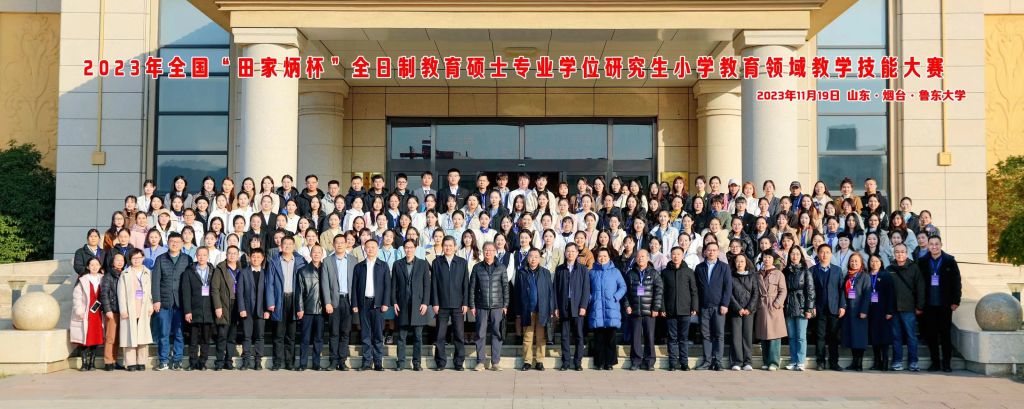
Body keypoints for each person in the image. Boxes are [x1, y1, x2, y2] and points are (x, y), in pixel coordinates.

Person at [916, 235, 961, 372]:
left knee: (945, 335)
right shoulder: (922, 261)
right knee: (931, 335)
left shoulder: (949, 261)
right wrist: (919, 303)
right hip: (929, 305)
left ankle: (946, 363)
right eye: (931, 244)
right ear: (928, 246)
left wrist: (956, 300)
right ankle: (935, 362)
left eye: (936, 244)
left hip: (945, 305)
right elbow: (918, 284)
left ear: (941, 245)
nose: (934, 247)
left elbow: (956, 282)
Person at [264, 235, 307, 370]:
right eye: (285, 244)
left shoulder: (300, 261)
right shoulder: (274, 261)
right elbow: (269, 283)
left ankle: (289, 362)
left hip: (294, 299)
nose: (287, 246)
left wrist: (302, 304)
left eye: (290, 244)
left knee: (291, 334)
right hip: (279, 299)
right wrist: (270, 302)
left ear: (294, 246)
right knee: (278, 334)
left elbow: (304, 284)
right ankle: (277, 362)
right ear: (281, 246)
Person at [151, 231, 192, 371]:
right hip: (164, 301)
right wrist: (156, 300)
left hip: (181, 302)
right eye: (172, 242)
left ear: (182, 244)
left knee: (179, 333)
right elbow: (155, 281)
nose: (174, 244)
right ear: (168, 243)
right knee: (164, 333)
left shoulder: (187, 259)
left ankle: (177, 360)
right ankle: (163, 360)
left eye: (177, 242)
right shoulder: (160, 259)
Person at [431, 235, 471, 371]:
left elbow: (465, 284)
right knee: (440, 335)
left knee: (459, 335)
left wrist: (465, 303)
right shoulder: (437, 262)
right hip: (441, 305)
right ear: (442, 247)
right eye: (445, 245)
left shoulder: (462, 262)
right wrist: (435, 303)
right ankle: (440, 362)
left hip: (458, 304)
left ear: (455, 247)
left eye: (450, 245)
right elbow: (434, 284)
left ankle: (459, 363)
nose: (448, 248)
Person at [469, 242, 510, 371]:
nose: (488, 252)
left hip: (497, 306)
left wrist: (505, 305)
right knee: (480, 334)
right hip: (481, 305)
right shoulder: (477, 267)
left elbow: (505, 287)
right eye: (486, 250)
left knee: (497, 333)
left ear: (495, 252)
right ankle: (480, 362)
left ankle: (495, 362)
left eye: (491, 250)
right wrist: (472, 305)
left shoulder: (501, 267)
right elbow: (472, 288)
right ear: (482, 251)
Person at [352, 239, 391, 371]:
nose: (370, 249)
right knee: (365, 334)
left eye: (373, 247)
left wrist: (385, 302)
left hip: (378, 304)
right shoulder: (359, 267)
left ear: (377, 249)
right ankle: (366, 362)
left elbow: (387, 286)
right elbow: (354, 287)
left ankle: (378, 362)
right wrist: (355, 303)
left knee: (378, 334)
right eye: (368, 247)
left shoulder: (383, 266)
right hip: (363, 303)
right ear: (364, 249)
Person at [392, 239, 431, 371]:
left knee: (418, 336)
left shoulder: (422, 264)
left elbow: (427, 285)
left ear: (415, 248)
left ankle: (417, 363)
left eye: (411, 247)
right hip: (402, 304)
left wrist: (425, 303)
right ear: (404, 249)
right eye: (406, 247)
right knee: (401, 336)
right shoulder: (397, 264)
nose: (409, 249)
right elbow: (394, 286)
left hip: (418, 305)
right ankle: (401, 363)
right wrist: (394, 302)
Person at [694, 242, 732, 371]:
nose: (711, 252)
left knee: (719, 334)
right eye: (709, 250)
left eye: (714, 250)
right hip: (704, 306)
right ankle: (707, 361)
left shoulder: (724, 267)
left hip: (719, 307)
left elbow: (728, 287)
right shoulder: (699, 268)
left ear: (718, 252)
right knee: (706, 335)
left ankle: (718, 361)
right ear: (705, 252)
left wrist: (725, 304)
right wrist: (696, 306)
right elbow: (696, 288)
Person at [321, 234, 357, 371]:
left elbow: (356, 283)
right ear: (333, 244)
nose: (340, 245)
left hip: (348, 301)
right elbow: (325, 283)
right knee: (334, 333)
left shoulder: (353, 260)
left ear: (346, 244)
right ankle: (333, 361)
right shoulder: (327, 261)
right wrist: (327, 302)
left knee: (345, 333)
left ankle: (342, 361)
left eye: (342, 242)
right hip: (334, 302)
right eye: (337, 242)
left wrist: (355, 303)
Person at [623, 249, 663, 371]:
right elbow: (624, 292)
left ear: (648, 258)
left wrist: (656, 307)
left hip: (649, 312)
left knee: (649, 337)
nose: (640, 258)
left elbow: (659, 291)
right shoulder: (630, 274)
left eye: (643, 256)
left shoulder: (654, 273)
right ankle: (636, 361)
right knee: (635, 338)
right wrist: (627, 305)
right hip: (634, 311)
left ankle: (649, 362)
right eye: (638, 256)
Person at [888, 243, 925, 371]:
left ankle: (913, 362)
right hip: (894, 309)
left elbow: (920, 288)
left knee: (911, 336)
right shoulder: (889, 269)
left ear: (906, 253)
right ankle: (897, 361)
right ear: (894, 253)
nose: (900, 254)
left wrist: (920, 306)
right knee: (896, 337)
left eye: (902, 252)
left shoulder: (914, 268)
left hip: (909, 308)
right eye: (897, 252)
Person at [661, 246, 698, 371]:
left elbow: (693, 290)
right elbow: (662, 292)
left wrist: (694, 306)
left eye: (678, 254)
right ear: (670, 256)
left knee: (683, 338)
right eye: (674, 254)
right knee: (672, 338)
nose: (676, 256)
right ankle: (672, 363)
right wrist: (663, 308)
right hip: (670, 310)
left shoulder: (688, 271)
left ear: (682, 256)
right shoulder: (665, 272)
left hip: (685, 310)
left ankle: (684, 363)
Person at [554, 243, 590, 371]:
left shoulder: (583, 269)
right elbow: (555, 290)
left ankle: (578, 362)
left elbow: (586, 289)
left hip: (578, 306)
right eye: (568, 251)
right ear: (565, 253)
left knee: (579, 335)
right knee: (564, 336)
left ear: (577, 253)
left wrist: (583, 306)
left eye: (573, 251)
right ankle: (566, 362)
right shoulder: (560, 269)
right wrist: (556, 307)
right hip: (564, 305)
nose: (570, 253)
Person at [588, 248, 626, 370]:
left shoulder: (615, 271)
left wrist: (616, 297)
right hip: (597, 308)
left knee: (611, 338)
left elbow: (623, 286)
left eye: (605, 256)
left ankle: (609, 363)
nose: (602, 258)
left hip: (611, 308)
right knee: (598, 337)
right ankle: (599, 362)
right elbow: (586, 289)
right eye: (600, 256)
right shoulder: (592, 272)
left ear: (609, 258)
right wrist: (591, 298)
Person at [118, 249, 154, 372]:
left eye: (139, 257)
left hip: (144, 308)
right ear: (130, 260)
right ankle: (130, 362)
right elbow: (121, 293)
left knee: (143, 335)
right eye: (134, 258)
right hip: (130, 309)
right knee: (130, 335)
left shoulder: (148, 273)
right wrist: (123, 309)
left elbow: (151, 292)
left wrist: (150, 306)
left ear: (143, 258)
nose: (136, 260)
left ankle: (142, 362)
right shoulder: (125, 273)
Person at [813, 244, 847, 371]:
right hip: (819, 308)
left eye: (827, 252)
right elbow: (811, 291)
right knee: (820, 336)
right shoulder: (813, 270)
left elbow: (841, 289)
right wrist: (812, 306)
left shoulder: (837, 270)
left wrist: (842, 306)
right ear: (818, 254)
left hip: (834, 308)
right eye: (822, 252)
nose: (824, 255)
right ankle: (820, 362)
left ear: (831, 254)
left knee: (834, 337)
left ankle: (834, 363)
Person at [782, 246, 815, 371]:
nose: (795, 256)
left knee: (801, 336)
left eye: (797, 254)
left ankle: (800, 361)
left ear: (801, 256)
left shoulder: (806, 271)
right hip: (789, 305)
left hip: (801, 305)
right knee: (791, 336)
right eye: (792, 254)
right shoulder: (785, 271)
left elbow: (810, 291)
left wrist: (809, 309)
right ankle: (793, 360)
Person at [295, 244, 326, 371]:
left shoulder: (326, 269)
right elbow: (299, 292)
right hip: (307, 309)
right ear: (310, 254)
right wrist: (300, 308)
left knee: (318, 338)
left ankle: (316, 364)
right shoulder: (303, 271)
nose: (316, 254)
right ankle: (302, 364)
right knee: (305, 338)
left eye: (319, 252)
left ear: (322, 254)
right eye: (314, 252)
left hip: (322, 310)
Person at [71, 258, 106, 371]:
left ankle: (92, 363)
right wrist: (79, 311)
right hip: (86, 313)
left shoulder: (103, 279)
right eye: (92, 265)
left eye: (97, 264)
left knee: (96, 337)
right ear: (88, 267)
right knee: (84, 338)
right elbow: (77, 297)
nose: (94, 267)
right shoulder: (83, 280)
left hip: (99, 313)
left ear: (100, 266)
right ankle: (84, 363)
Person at [236, 248, 268, 370]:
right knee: (247, 336)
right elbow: (240, 292)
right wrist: (241, 308)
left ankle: (258, 361)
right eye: (253, 256)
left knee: (260, 336)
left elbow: (268, 293)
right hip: (247, 310)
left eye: (258, 257)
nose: (256, 259)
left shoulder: (266, 273)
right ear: (249, 258)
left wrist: (267, 310)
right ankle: (246, 361)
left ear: (262, 258)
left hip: (261, 310)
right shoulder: (243, 272)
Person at [755, 252, 787, 371]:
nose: (767, 259)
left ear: (773, 260)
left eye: (769, 257)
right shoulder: (758, 274)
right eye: (765, 257)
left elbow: (783, 291)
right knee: (763, 335)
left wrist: (777, 303)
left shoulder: (778, 274)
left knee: (774, 336)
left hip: (774, 306)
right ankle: (766, 361)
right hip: (762, 306)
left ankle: (774, 362)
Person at [840, 252, 872, 371]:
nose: (854, 263)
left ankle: (859, 364)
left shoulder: (865, 276)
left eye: (856, 261)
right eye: (852, 261)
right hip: (849, 311)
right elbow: (843, 292)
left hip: (860, 312)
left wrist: (864, 310)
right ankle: (854, 362)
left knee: (860, 338)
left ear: (861, 263)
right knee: (852, 338)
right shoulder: (847, 276)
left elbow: (867, 295)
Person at [212, 246, 242, 370]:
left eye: (235, 253)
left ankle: (228, 361)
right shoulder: (220, 269)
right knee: (222, 335)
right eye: (230, 253)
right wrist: (217, 306)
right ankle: (219, 362)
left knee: (232, 336)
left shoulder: (241, 268)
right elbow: (214, 289)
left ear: (238, 255)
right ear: (226, 255)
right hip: (224, 304)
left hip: (237, 304)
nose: (232, 255)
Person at [727, 254, 758, 371]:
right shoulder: (731, 276)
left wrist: (748, 308)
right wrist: (738, 308)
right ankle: (737, 362)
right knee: (736, 336)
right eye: (737, 261)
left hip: (749, 311)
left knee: (747, 336)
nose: (740, 263)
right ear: (734, 263)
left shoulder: (752, 276)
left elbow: (755, 293)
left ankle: (747, 362)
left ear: (746, 263)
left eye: (742, 261)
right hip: (736, 311)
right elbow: (729, 294)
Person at [865, 254, 896, 371]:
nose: (874, 263)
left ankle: (885, 362)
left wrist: (889, 311)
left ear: (881, 262)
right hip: (871, 311)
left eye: (877, 261)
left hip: (883, 311)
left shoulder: (886, 275)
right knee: (874, 337)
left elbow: (891, 294)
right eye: (872, 261)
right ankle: (877, 362)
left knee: (884, 337)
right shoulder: (867, 275)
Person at [99, 252, 126, 371]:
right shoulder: (108, 276)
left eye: (122, 260)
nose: (120, 262)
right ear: (112, 262)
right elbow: (104, 294)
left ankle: (114, 360)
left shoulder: (125, 274)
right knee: (110, 337)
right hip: (112, 310)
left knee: (118, 337)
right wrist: (108, 310)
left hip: (122, 310)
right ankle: (108, 361)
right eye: (117, 260)